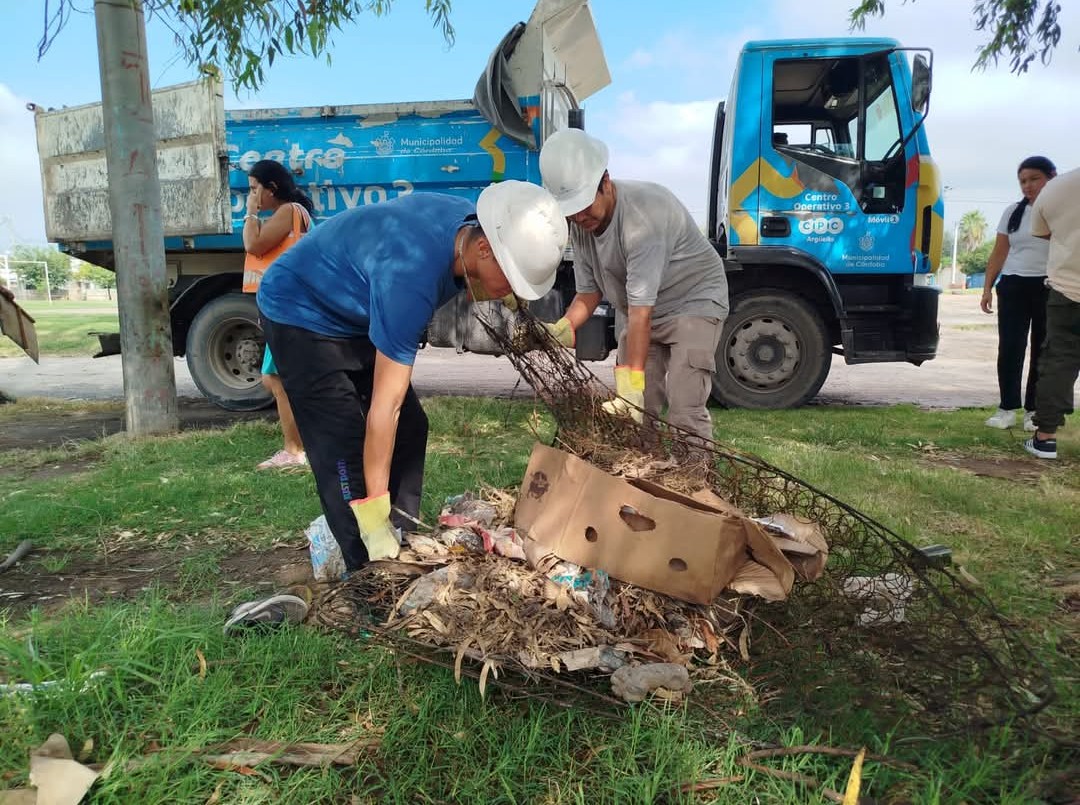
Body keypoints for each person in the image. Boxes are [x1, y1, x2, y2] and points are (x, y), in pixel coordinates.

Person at [256, 181, 567, 567]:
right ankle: (367, 565)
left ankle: (400, 533)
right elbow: (386, 406)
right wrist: (371, 517)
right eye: (512, 280)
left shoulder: (471, 223)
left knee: (412, 428)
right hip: (299, 310)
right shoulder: (410, 277)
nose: (513, 294)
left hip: (355, 306)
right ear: (484, 250)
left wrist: (501, 286)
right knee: (342, 446)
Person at [537, 128, 729, 446]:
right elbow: (588, 293)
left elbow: (641, 314)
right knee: (637, 414)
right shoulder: (581, 227)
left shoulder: (643, 217)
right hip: (641, 309)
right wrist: (565, 327)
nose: (580, 216)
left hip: (694, 301)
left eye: (585, 205)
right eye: (571, 210)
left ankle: (694, 485)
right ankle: (643, 478)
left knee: (683, 406)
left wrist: (632, 383)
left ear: (606, 183)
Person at [242, 159, 314, 470]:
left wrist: (250, 213)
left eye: (255, 189)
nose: (253, 196)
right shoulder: (296, 213)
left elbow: (253, 246)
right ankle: (302, 445)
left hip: (289, 307)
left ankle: (294, 450)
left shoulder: (288, 212)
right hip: (291, 305)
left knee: (276, 377)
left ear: (272, 189)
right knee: (280, 378)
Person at [980, 156, 1057, 432]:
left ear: (1052, 177)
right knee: (1011, 347)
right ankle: (1006, 408)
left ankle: (1033, 410)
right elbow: (999, 252)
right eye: (1023, 181)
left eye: (1034, 179)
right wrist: (988, 287)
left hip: (1049, 286)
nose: (1028, 185)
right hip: (1013, 285)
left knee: (1042, 349)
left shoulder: (1063, 211)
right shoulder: (1013, 212)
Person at [1025, 166, 1080, 460]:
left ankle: (1045, 438)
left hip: (1069, 289)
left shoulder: (1057, 188)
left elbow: (1044, 233)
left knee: (1059, 361)